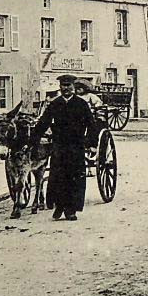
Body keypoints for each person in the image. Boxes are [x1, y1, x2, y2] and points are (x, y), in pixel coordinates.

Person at [31, 74, 94, 221]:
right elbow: (43, 123)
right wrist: (33, 140)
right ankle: (59, 206)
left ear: (74, 87)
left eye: (69, 86)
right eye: (63, 86)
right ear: (60, 87)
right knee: (57, 177)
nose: (66, 88)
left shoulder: (81, 104)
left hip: (76, 146)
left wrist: (92, 144)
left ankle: (71, 209)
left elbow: (91, 125)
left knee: (74, 177)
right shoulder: (55, 104)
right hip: (59, 146)